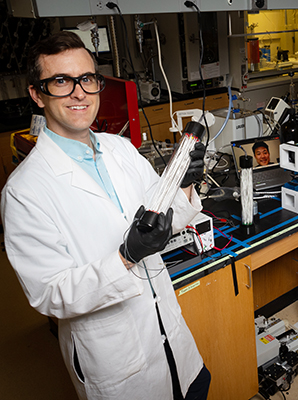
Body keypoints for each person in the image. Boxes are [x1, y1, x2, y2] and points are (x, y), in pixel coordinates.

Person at [1, 31, 210, 400]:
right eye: (61, 81)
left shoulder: (121, 150)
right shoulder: (24, 191)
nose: (79, 93)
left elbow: (165, 219)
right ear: (37, 94)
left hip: (172, 337)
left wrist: (185, 183)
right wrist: (125, 258)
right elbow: (50, 294)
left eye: (87, 79)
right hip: (118, 362)